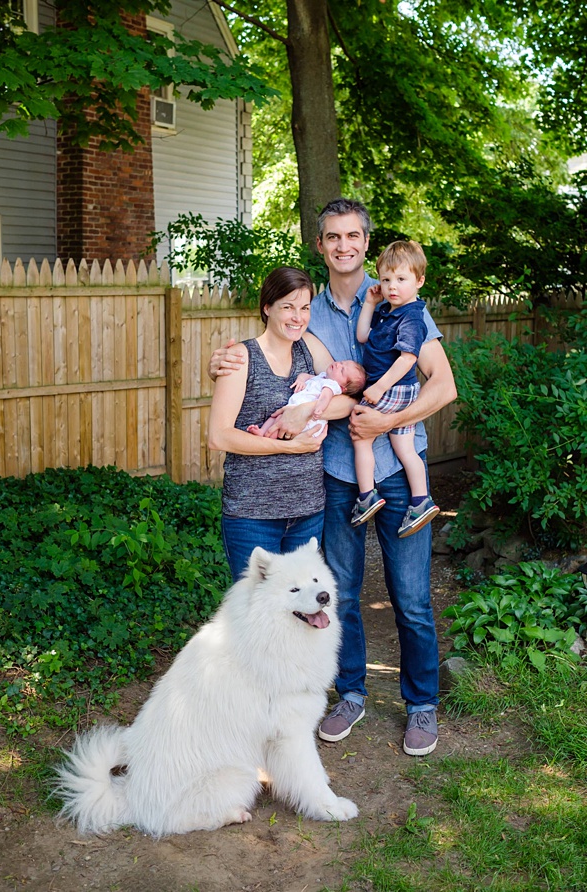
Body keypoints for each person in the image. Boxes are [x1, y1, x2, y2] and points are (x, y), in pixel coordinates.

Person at [209, 198, 456, 757]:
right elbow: (263, 355)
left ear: (366, 242)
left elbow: (444, 387)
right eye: (332, 237)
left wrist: (390, 418)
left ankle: (421, 704)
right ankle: (350, 692)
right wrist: (218, 363)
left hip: (397, 469)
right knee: (337, 594)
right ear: (319, 246)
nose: (344, 246)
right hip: (337, 474)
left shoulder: (398, 294)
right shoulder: (307, 312)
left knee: (412, 598)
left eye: (353, 236)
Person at [207, 266, 342, 582]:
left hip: (308, 511)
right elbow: (219, 436)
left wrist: (308, 409)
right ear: (267, 307)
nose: (298, 317)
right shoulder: (241, 357)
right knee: (257, 615)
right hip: (253, 515)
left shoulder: (310, 348)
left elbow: (349, 397)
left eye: (305, 308)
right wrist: (289, 446)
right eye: (288, 307)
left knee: (300, 614)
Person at [350, 241, 440, 536]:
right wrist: (370, 303)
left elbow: (408, 359)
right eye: (386, 279)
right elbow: (363, 335)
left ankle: (366, 496)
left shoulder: (412, 316)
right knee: (404, 447)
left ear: (419, 281)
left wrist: (378, 388)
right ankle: (421, 499)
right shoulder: (389, 310)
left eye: (401, 279)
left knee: (360, 434)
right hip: (400, 391)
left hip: (394, 389)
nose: (392, 286)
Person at [247, 359, 366, 439]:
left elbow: (325, 397)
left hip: (308, 421)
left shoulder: (331, 386)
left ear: (343, 388)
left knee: (279, 420)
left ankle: (268, 437)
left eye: (342, 370)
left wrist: (319, 408)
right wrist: (300, 380)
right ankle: (262, 431)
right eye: (341, 362)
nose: (338, 365)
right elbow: (306, 375)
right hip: (294, 408)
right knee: (276, 416)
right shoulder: (322, 377)